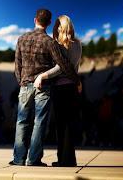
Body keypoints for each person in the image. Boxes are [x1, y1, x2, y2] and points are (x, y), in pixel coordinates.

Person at [10, 9, 79, 167]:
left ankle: (18, 159)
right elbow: (62, 64)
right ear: (48, 23)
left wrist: (21, 81)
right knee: (39, 123)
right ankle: (33, 160)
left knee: (22, 122)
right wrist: (76, 79)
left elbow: (17, 64)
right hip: (44, 86)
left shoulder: (21, 38)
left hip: (25, 85)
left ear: (35, 20)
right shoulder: (50, 42)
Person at [34, 15, 82, 167]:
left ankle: (64, 159)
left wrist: (44, 75)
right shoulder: (78, 44)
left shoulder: (59, 45)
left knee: (61, 124)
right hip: (72, 87)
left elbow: (60, 68)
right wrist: (77, 82)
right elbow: (74, 68)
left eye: (56, 26)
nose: (54, 28)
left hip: (60, 88)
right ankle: (68, 159)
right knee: (68, 124)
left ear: (61, 27)